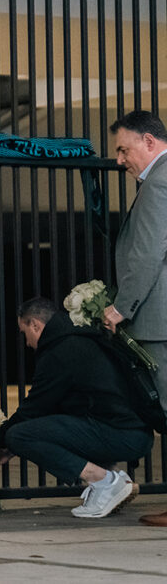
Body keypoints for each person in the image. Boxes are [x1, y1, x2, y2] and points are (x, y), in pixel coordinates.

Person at [0, 297, 152, 518]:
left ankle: (106, 482)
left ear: (35, 325)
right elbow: (55, 412)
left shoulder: (60, 351)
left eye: (24, 332)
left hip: (120, 433)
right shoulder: (81, 338)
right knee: (20, 436)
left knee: (19, 434)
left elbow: (34, 409)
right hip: (132, 432)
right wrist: (9, 448)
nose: (27, 342)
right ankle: (109, 482)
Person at [101, 110, 167, 526]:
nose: (120, 160)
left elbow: (147, 253)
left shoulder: (159, 184)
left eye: (124, 150)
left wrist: (121, 307)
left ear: (148, 141)